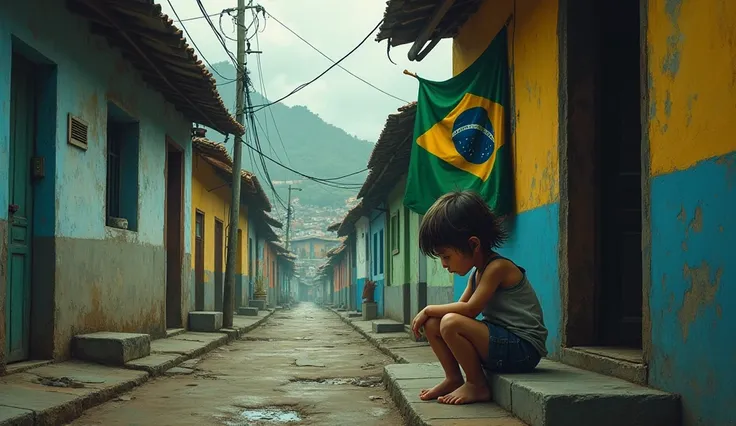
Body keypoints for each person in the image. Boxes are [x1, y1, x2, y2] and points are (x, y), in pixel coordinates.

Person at [411, 190, 547, 405]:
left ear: (474, 244)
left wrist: (428, 309)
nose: (444, 265)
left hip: (523, 349)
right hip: (502, 343)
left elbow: (471, 310)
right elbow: (463, 305)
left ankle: (477, 385)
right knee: (433, 324)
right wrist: (430, 316)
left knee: (449, 322)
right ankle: (453, 378)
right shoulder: (477, 273)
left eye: (446, 256)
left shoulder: (498, 267)